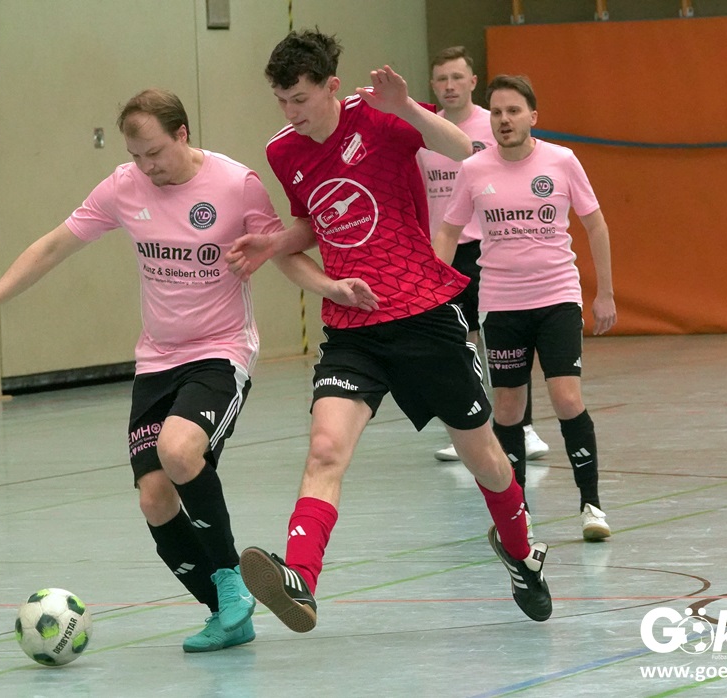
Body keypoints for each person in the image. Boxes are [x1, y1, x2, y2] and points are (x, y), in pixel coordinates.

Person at [225, 29, 552, 630]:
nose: (291, 112)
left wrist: (405, 106)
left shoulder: (380, 117)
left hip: (425, 315)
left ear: (331, 87)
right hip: (354, 328)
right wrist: (289, 253)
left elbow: (463, 148)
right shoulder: (284, 152)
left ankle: (522, 550)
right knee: (325, 449)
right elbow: (314, 222)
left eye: (300, 99)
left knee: (484, 458)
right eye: (281, 100)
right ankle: (301, 580)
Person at [0, 89, 284, 651]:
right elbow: (53, 246)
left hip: (220, 350)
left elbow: (284, 244)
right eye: (135, 155)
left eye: (155, 152)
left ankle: (231, 580)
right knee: (154, 497)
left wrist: (323, 282)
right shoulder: (123, 187)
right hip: (157, 359)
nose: (146, 166)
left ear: (182, 134)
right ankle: (225, 615)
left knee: (179, 452)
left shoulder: (236, 183)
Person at [433, 74, 616, 542]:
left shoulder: (562, 161)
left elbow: (595, 224)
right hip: (502, 304)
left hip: (557, 297)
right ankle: (520, 513)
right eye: (496, 112)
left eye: (513, 111)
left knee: (567, 398)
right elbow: (449, 231)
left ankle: (591, 505)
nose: (504, 119)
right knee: (509, 407)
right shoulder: (474, 169)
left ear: (532, 116)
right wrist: (433, 290)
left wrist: (606, 294)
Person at [417, 46, 549, 465]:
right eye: (442, 79)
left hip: (490, 248)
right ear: (432, 84)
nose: (450, 86)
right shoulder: (424, 131)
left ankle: (522, 427)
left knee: (507, 340)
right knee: (458, 344)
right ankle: (469, 429)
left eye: (457, 77)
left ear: (472, 82)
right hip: (443, 250)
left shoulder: (493, 125)